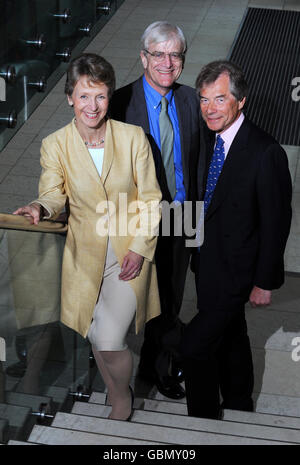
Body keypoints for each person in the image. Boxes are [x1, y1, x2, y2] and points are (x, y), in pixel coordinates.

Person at [13, 53, 162, 421]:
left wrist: (141, 250)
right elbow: (52, 194)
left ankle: (122, 400)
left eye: (100, 96)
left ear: (109, 97)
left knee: (110, 339)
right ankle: (116, 391)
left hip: (129, 258)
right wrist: (38, 207)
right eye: (83, 96)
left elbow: (152, 199)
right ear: (69, 97)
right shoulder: (55, 145)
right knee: (96, 336)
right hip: (84, 261)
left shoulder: (132, 139)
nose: (91, 106)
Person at [180, 60, 293, 419]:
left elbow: (277, 222)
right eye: (203, 100)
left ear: (240, 101)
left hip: (239, 273)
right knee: (233, 339)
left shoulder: (265, 152)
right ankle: (239, 404)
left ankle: (204, 420)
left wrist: (264, 282)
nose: (210, 109)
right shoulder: (206, 140)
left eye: (219, 99)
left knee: (194, 347)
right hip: (208, 264)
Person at [110, 21, 200, 400]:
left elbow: (203, 162)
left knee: (170, 299)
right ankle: (113, 373)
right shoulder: (117, 104)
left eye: (175, 54)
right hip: (133, 222)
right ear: (143, 57)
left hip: (182, 216)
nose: (167, 62)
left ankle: (156, 369)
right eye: (158, 54)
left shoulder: (193, 100)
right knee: (125, 302)